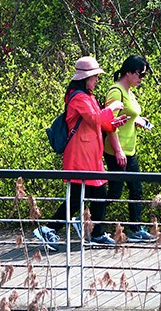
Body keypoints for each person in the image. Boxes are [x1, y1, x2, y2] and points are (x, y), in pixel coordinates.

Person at [35, 55, 130, 253]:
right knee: (79, 195)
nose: (96, 80)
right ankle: (50, 228)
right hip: (80, 155)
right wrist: (111, 108)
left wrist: (114, 123)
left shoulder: (88, 97)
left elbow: (99, 122)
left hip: (90, 155)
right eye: (94, 77)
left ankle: (95, 232)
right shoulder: (78, 97)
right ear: (85, 78)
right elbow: (94, 118)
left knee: (97, 192)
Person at [103, 55, 151, 241]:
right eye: (140, 74)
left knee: (136, 189)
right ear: (129, 72)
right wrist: (117, 151)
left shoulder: (129, 90)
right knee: (115, 191)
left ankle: (135, 228)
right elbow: (109, 123)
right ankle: (86, 219)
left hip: (129, 149)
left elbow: (128, 115)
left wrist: (138, 120)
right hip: (117, 150)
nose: (141, 79)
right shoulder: (116, 92)